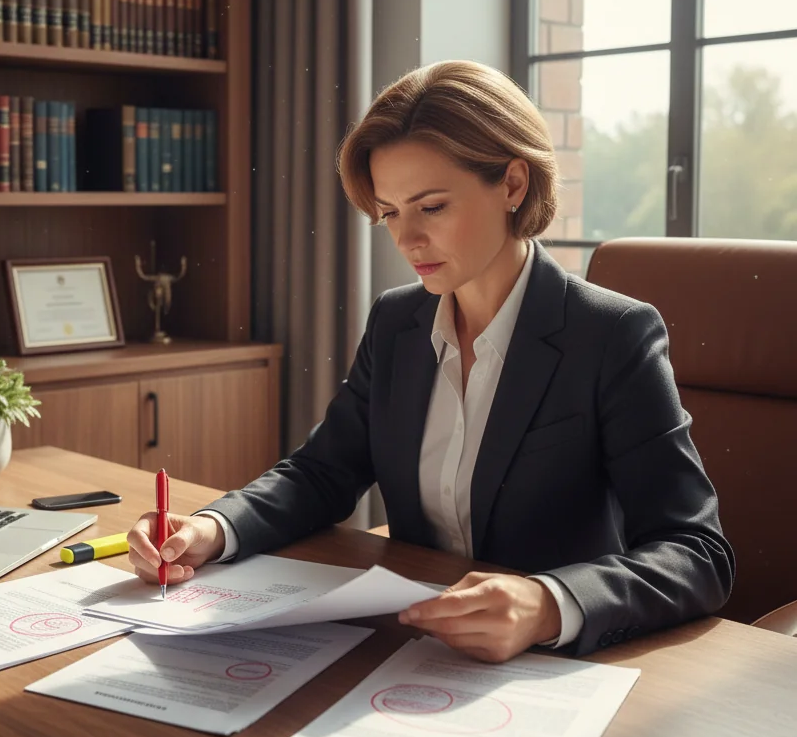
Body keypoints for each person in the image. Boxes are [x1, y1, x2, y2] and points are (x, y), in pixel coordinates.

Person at [126, 60, 735, 661]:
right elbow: (322, 473)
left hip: (553, 666)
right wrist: (211, 530)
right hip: (417, 645)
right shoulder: (398, 323)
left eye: (432, 207)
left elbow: (697, 552)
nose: (406, 239)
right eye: (390, 212)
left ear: (513, 185)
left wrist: (547, 603)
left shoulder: (611, 334)